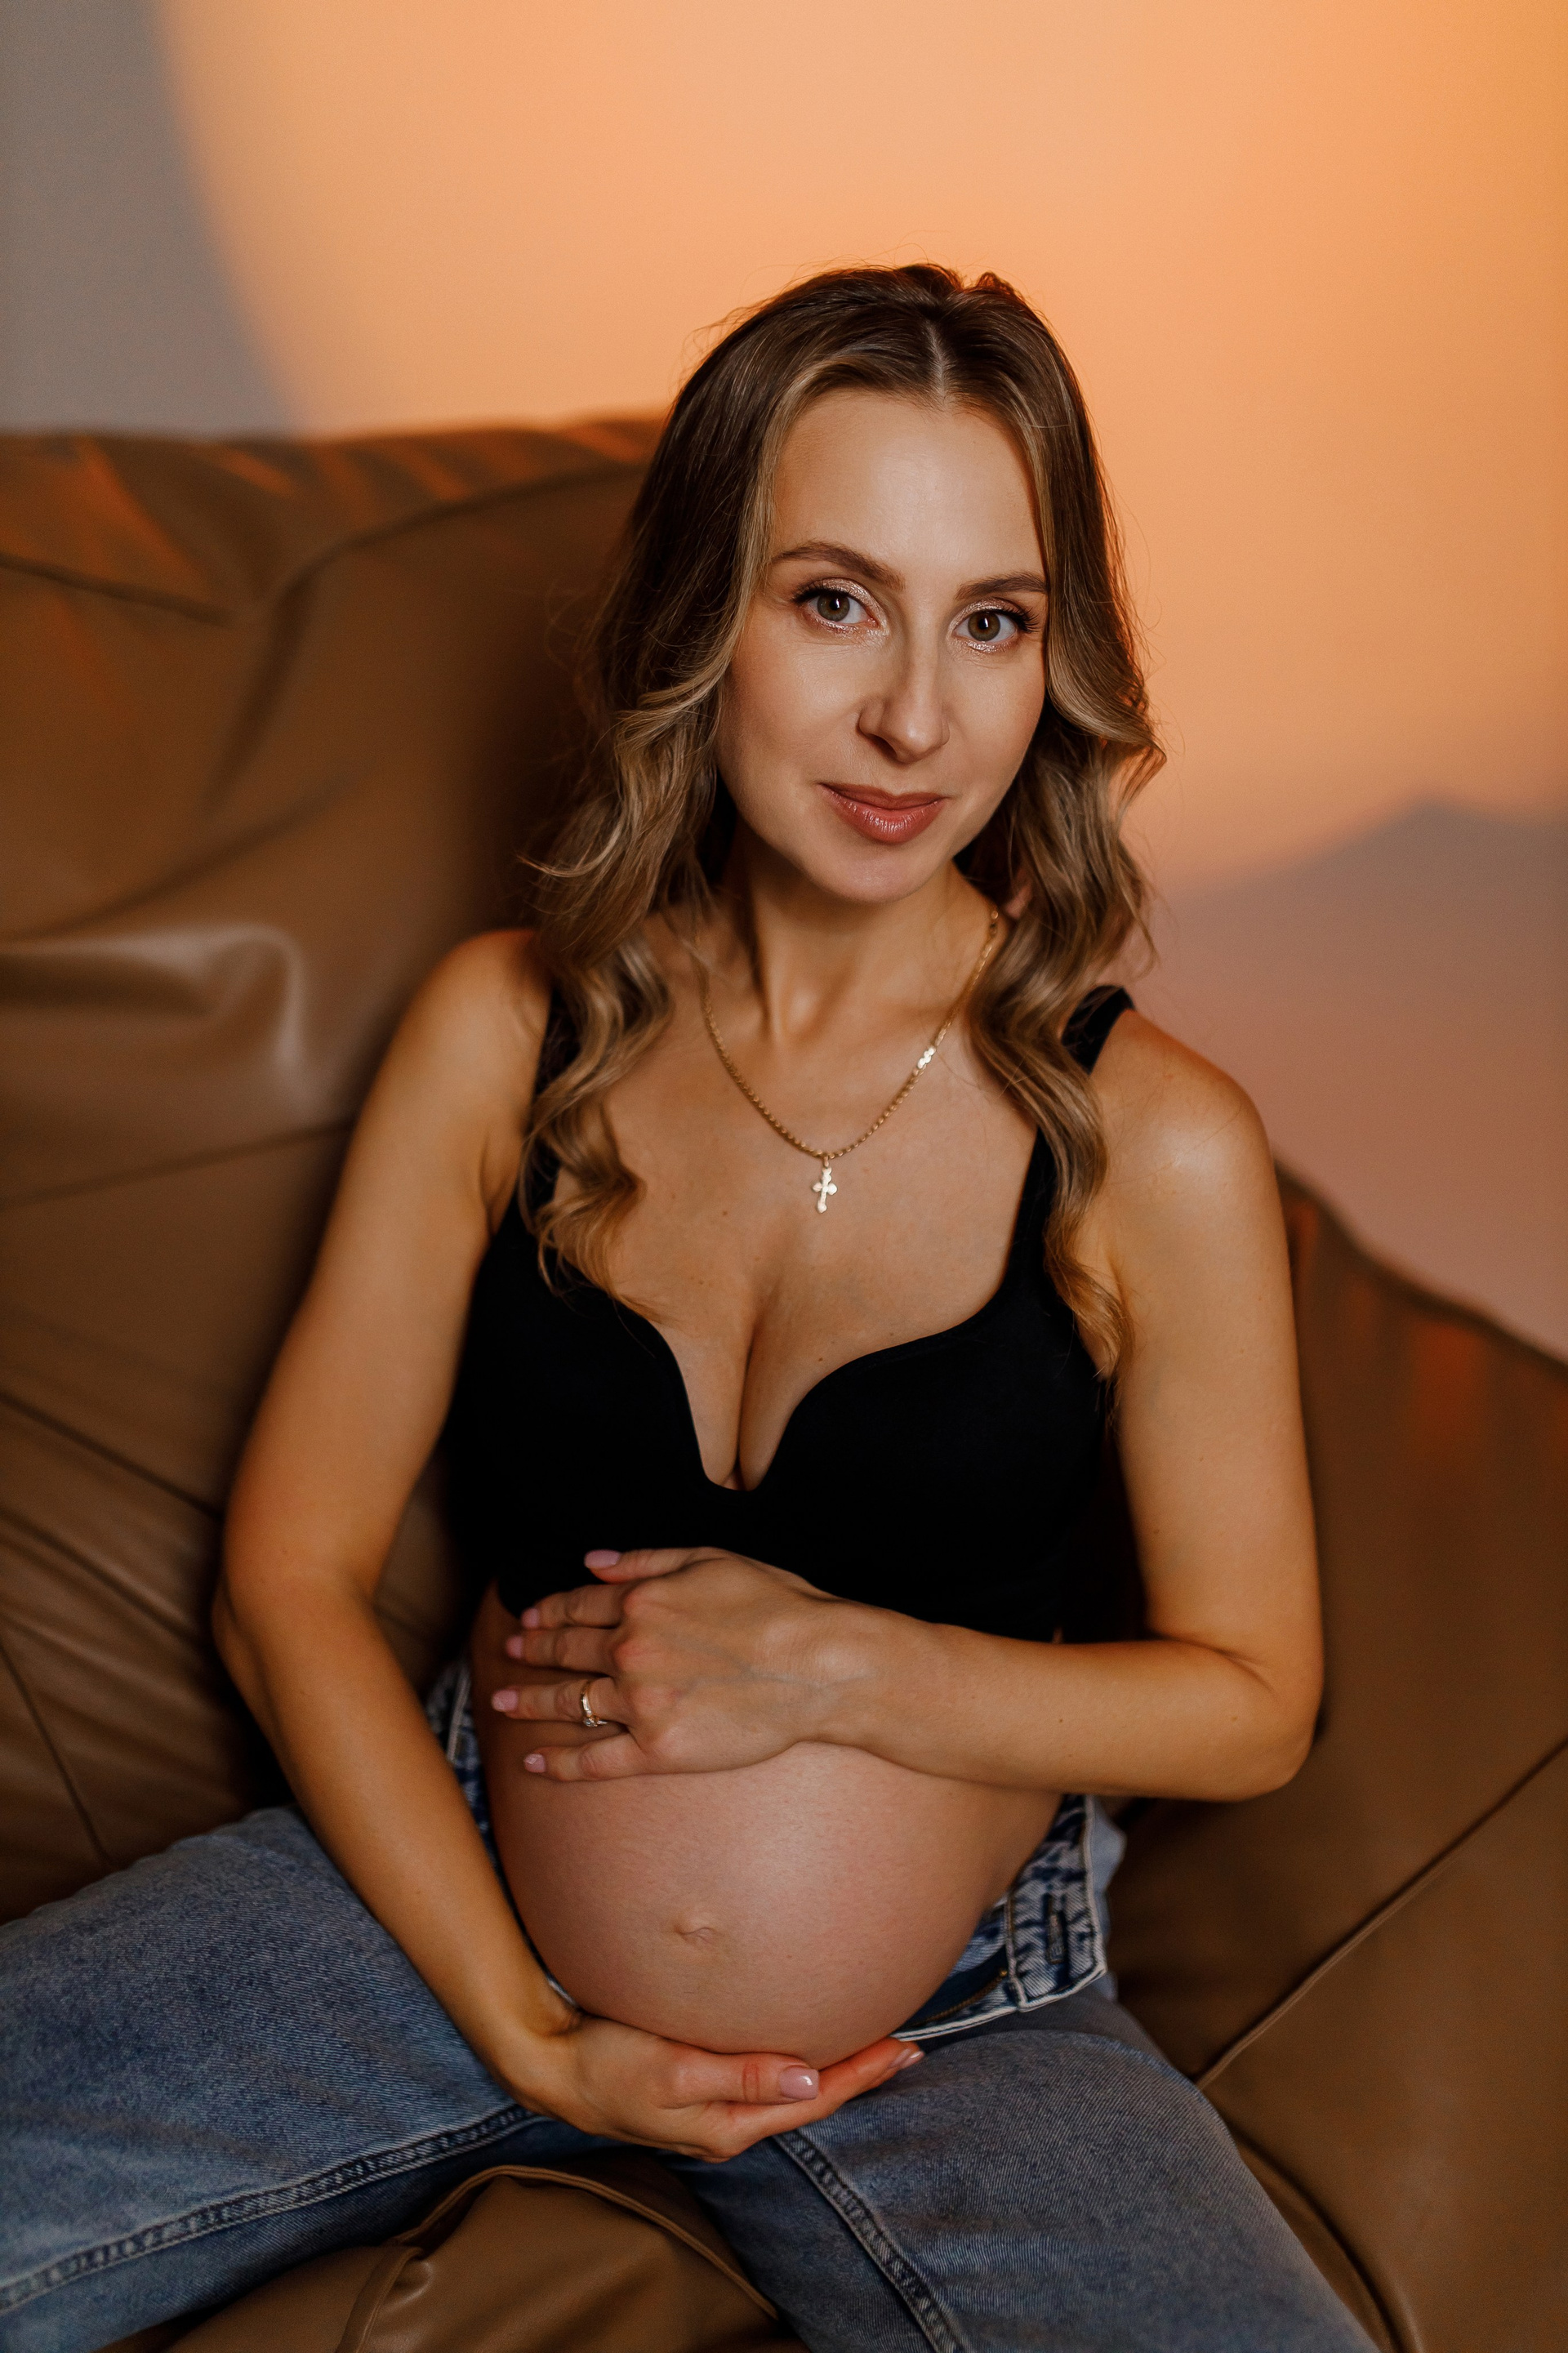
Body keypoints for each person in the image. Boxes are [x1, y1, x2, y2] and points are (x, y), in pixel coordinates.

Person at [0, 265, 1374, 2353]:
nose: (915, 719)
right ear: (698, 619)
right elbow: (288, 1578)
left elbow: (1252, 1696)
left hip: (953, 2025)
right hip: (437, 1900)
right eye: (835, 602)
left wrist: (840, 1667)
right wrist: (527, 2023)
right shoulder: (504, 1035)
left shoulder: (1147, 1141)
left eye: (992, 622)